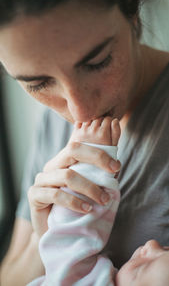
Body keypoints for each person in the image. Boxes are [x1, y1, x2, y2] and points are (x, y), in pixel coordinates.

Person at [0, 0, 169, 285]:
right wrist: (43, 242)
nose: (80, 112)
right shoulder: (51, 127)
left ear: (131, 6)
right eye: (38, 84)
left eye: (97, 62)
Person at [29, 116, 121, 285]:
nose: (151, 246)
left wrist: (89, 170)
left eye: (143, 271)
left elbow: (70, 269)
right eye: (40, 86)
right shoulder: (52, 123)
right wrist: (41, 234)